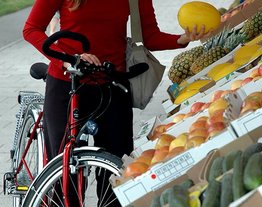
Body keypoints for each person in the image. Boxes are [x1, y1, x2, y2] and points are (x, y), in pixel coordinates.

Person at [23, 0, 212, 206]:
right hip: (68, 84)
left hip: (113, 85)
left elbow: (149, 37)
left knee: (118, 177)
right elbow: (31, 29)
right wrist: (68, 59)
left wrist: (183, 39)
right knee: (65, 178)